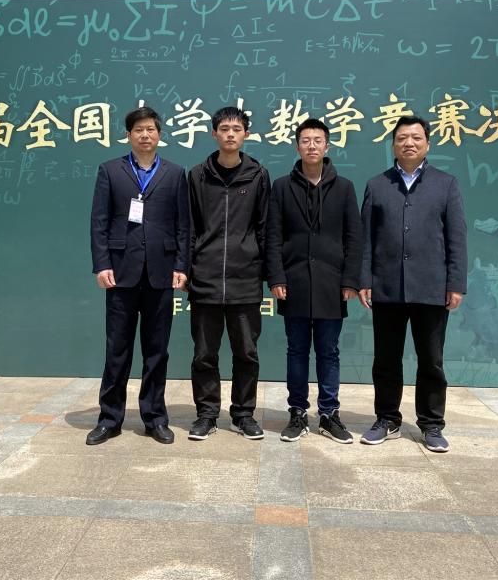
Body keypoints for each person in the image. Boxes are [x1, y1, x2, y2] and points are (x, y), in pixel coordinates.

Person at [358, 115, 467, 452]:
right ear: (393, 145)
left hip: (431, 287)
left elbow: (456, 238)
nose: (409, 143)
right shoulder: (377, 185)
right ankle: (387, 418)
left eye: (416, 137)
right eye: (402, 137)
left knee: (431, 360)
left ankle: (431, 424)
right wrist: (365, 279)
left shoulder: (445, 184)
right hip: (387, 286)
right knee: (385, 359)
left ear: (427, 144)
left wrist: (456, 283)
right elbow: (366, 239)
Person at [87, 107, 190, 446]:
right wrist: (102, 264)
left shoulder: (175, 173)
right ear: (129, 135)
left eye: (150, 129)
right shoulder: (110, 170)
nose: (145, 135)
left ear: (159, 134)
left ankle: (155, 418)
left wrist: (181, 266)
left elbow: (183, 226)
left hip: (161, 273)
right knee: (117, 349)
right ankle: (110, 418)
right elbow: (99, 222)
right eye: (138, 130)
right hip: (121, 273)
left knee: (157, 351)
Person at [266, 118, 362, 443]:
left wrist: (350, 280)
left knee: (328, 351)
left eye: (317, 140)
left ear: (326, 146)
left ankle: (329, 414)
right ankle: (297, 412)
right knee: (296, 351)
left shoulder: (344, 187)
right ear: (297, 147)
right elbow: (273, 236)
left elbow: (354, 238)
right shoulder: (282, 187)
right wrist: (276, 276)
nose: (311, 146)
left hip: (331, 284)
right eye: (305, 140)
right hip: (293, 282)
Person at [186, 106, 271, 441]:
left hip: (245, 279)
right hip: (205, 279)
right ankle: (207, 414)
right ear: (214, 134)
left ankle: (243, 415)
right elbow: (189, 227)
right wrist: (188, 269)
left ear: (246, 134)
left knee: (246, 353)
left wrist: (263, 269)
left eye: (237, 129)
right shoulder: (197, 175)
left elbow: (264, 228)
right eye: (224, 129)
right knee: (204, 355)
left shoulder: (258, 175)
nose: (230, 134)